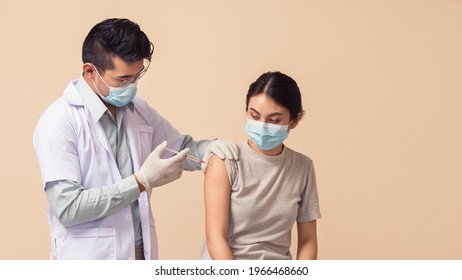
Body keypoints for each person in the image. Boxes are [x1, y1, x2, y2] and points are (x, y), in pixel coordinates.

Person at [33, 18, 238, 260]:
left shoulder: (138, 110)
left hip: (140, 254)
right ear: (90, 71)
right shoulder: (58, 121)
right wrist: (140, 182)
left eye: (136, 77)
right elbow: (68, 208)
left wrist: (211, 148)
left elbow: (181, 148)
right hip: (90, 259)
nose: (131, 86)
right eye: (122, 79)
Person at [200, 71, 321, 260]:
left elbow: (308, 240)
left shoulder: (302, 167)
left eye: (274, 120)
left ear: (294, 121)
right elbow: (215, 238)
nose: (262, 126)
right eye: (254, 116)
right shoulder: (225, 161)